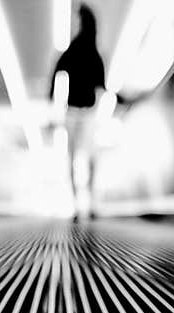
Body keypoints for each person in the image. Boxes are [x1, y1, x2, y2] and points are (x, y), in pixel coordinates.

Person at [49, 5, 106, 219]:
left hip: (74, 112)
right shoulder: (94, 54)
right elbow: (103, 86)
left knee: (73, 158)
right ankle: (87, 204)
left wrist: (51, 98)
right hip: (84, 112)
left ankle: (78, 204)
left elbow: (56, 72)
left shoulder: (75, 50)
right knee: (89, 158)